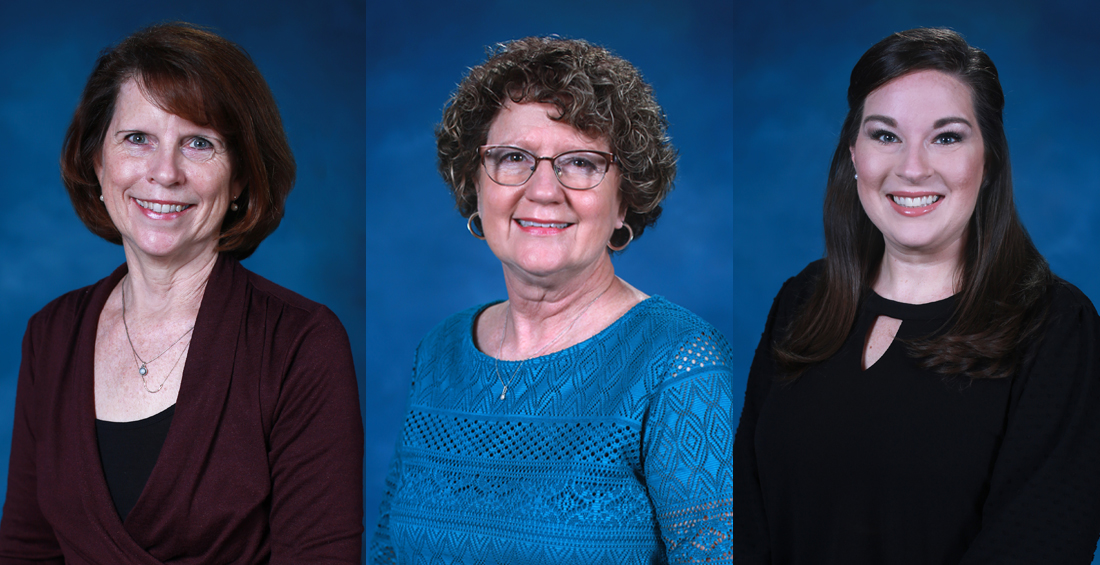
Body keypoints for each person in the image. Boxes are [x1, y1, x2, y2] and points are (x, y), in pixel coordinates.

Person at [733, 27, 1100, 563]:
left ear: (990, 160)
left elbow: (1040, 542)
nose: (912, 168)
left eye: (947, 137)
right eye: (885, 135)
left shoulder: (1056, 327)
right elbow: (745, 514)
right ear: (853, 154)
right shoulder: (802, 302)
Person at [0, 23, 363, 563]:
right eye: (137, 138)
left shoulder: (299, 344)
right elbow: (27, 550)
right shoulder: (50, 335)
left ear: (239, 177)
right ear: (97, 162)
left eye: (198, 143)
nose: (164, 173)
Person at [369, 37, 733, 563]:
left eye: (581, 163)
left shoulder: (677, 360)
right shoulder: (439, 352)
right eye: (514, 157)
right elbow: (389, 550)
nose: (543, 190)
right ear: (476, 185)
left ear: (624, 199)